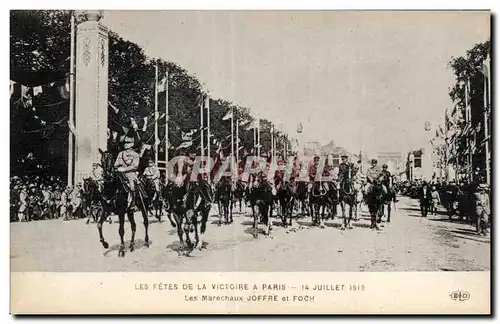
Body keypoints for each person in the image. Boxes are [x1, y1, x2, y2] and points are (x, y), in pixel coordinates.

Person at [114, 136, 141, 206]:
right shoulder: (121, 153)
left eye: (128, 143)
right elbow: (115, 164)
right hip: (120, 173)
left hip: (131, 174)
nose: (125, 144)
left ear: (132, 144)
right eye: (125, 143)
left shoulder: (135, 154)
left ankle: (132, 203)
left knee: (132, 186)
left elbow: (135, 166)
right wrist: (118, 167)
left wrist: (124, 169)